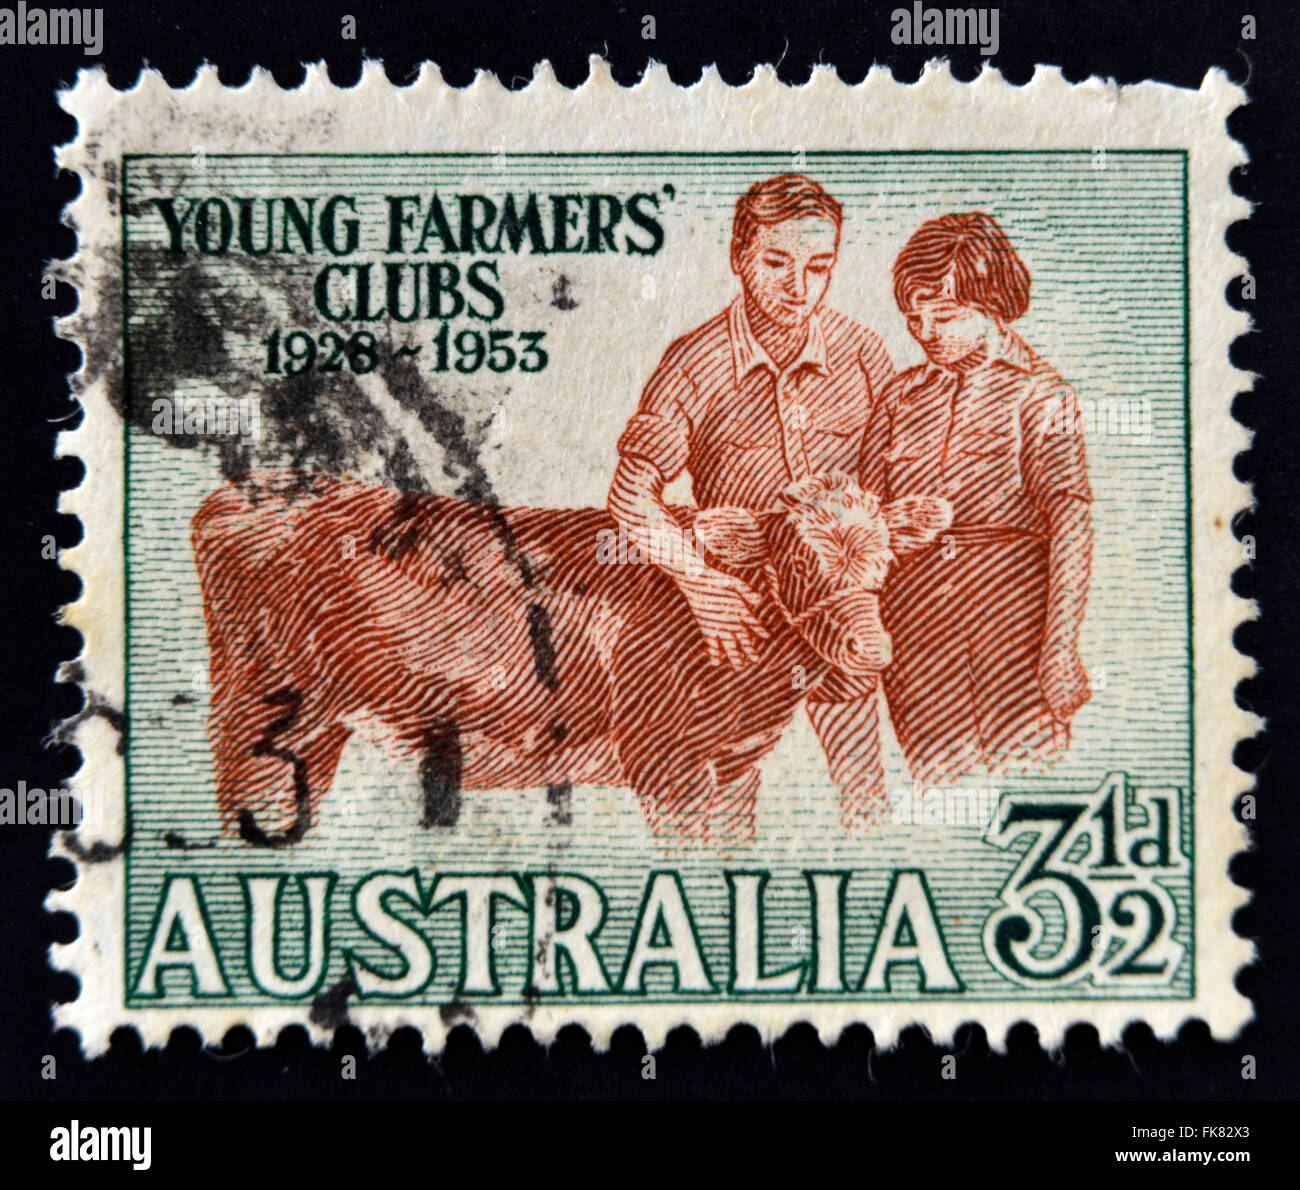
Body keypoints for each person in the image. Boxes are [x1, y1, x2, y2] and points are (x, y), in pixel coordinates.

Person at [607, 173, 896, 827]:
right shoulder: (694, 362)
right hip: (735, 622)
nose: (800, 287)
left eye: (819, 267)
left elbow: (886, 494)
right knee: (723, 788)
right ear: (740, 256)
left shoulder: (864, 356)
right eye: (777, 263)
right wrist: (697, 582)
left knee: (866, 801)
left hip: (837, 614)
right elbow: (630, 496)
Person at [860, 211, 1093, 783]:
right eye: (914, 319)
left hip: (1012, 623)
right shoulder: (898, 398)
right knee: (941, 785)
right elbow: (861, 514)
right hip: (916, 630)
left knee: (1029, 773)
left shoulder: (1043, 396)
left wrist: (1059, 648)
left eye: (944, 315)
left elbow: (1070, 528)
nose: (926, 333)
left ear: (993, 304)